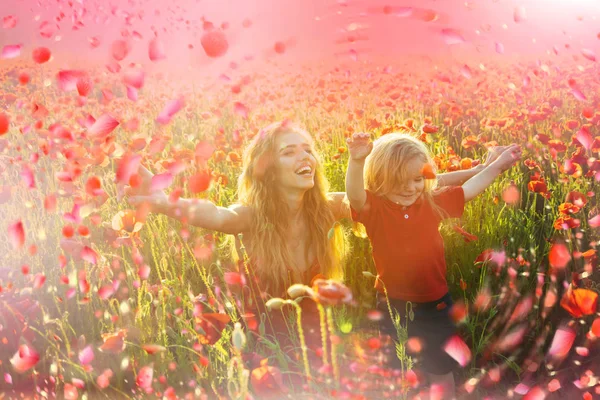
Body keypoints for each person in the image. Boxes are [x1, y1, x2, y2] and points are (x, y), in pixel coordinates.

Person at [345, 132, 521, 399]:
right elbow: (355, 195)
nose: (409, 188)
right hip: (391, 305)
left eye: (417, 180)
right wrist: (356, 161)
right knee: (396, 365)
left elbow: (470, 190)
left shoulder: (430, 202)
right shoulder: (375, 209)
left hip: (435, 305)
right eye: (399, 182)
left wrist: (495, 167)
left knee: (440, 365)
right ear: (379, 182)